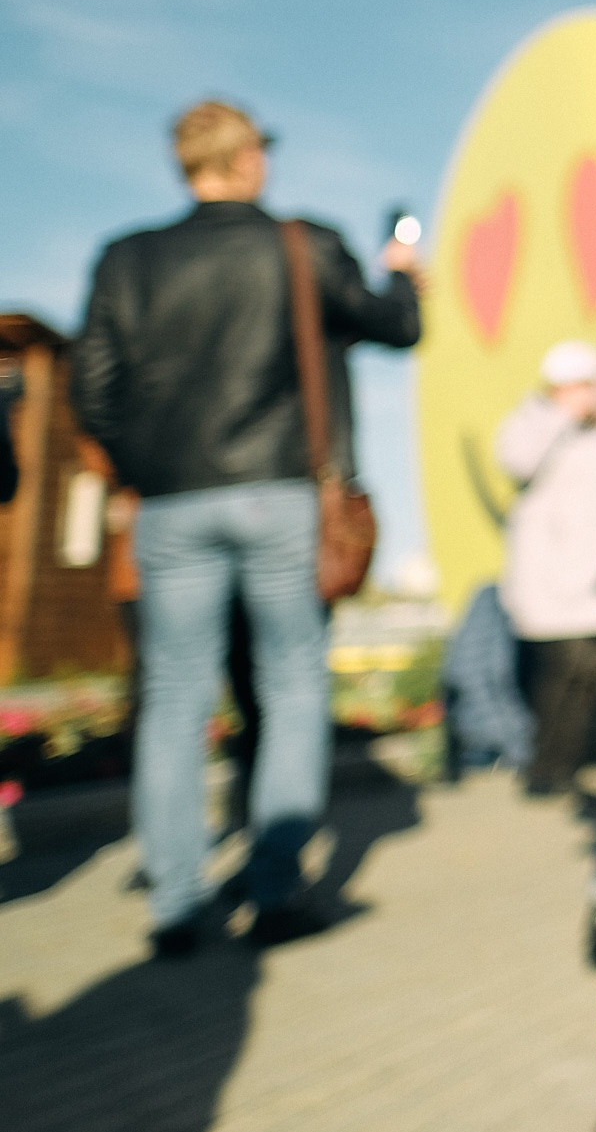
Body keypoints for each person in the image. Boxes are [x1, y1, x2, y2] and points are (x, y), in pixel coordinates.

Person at [70, 100, 422, 955]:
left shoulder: (126, 258)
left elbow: (93, 393)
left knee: (174, 697)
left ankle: (176, 902)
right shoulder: (302, 244)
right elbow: (397, 327)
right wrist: (406, 273)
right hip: (279, 496)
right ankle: (275, 892)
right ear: (247, 159)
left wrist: (154, 473)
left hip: (169, 504)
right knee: (291, 686)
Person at [495, 340, 596, 797]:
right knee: (563, 688)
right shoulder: (531, 424)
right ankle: (552, 772)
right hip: (556, 589)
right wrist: (560, 416)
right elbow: (517, 459)